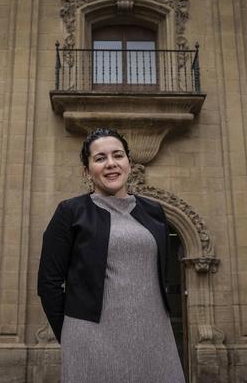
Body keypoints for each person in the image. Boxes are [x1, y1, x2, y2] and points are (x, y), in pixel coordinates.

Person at [37, 128, 185, 382]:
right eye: (100, 158)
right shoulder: (70, 212)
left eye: (118, 155)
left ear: (128, 162)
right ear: (87, 170)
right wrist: (73, 335)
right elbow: (48, 283)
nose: (111, 164)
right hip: (91, 337)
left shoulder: (154, 211)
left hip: (153, 335)